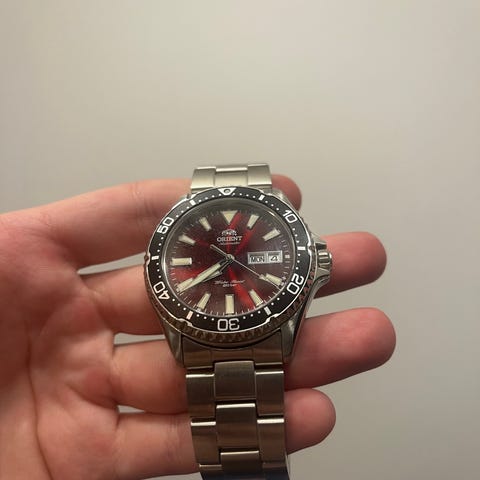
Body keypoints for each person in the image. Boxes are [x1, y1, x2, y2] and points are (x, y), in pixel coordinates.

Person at [0, 175, 395, 479]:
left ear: (317, 263)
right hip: (199, 329)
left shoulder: (294, 256)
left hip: (253, 325)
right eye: (223, 257)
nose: (229, 262)